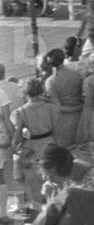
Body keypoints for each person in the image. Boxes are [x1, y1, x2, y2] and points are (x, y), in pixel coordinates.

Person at [11, 77, 56, 206]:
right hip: (50, 144)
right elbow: (57, 130)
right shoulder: (51, 108)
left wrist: (16, 150)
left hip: (31, 147)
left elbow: (17, 137)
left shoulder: (20, 112)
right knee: (51, 179)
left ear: (26, 93)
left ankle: (35, 209)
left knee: (33, 182)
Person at [43, 48, 84, 147]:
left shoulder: (51, 81)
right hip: (81, 117)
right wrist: (80, 107)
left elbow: (58, 108)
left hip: (64, 121)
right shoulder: (76, 74)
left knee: (67, 150)